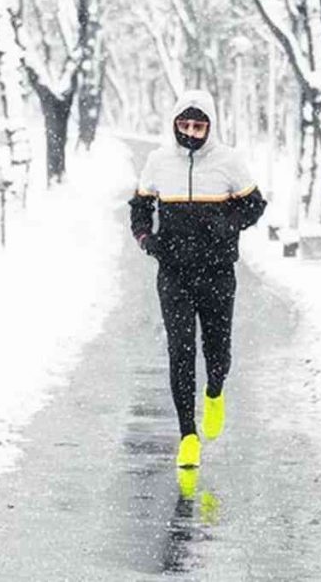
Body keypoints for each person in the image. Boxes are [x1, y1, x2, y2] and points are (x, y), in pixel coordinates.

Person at [128, 89, 266, 469]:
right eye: (184, 124)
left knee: (217, 351)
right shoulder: (158, 162)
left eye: (198, 125)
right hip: (174, 274)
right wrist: (147, 240)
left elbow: (255, 205)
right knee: (181, 351)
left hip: (217, 273)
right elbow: (139, 208)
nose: (191, 132)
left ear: (210, 126)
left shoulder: (229, 161)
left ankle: (215, 390)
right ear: (174, 123)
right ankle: (188, 435)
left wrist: (226, 225)